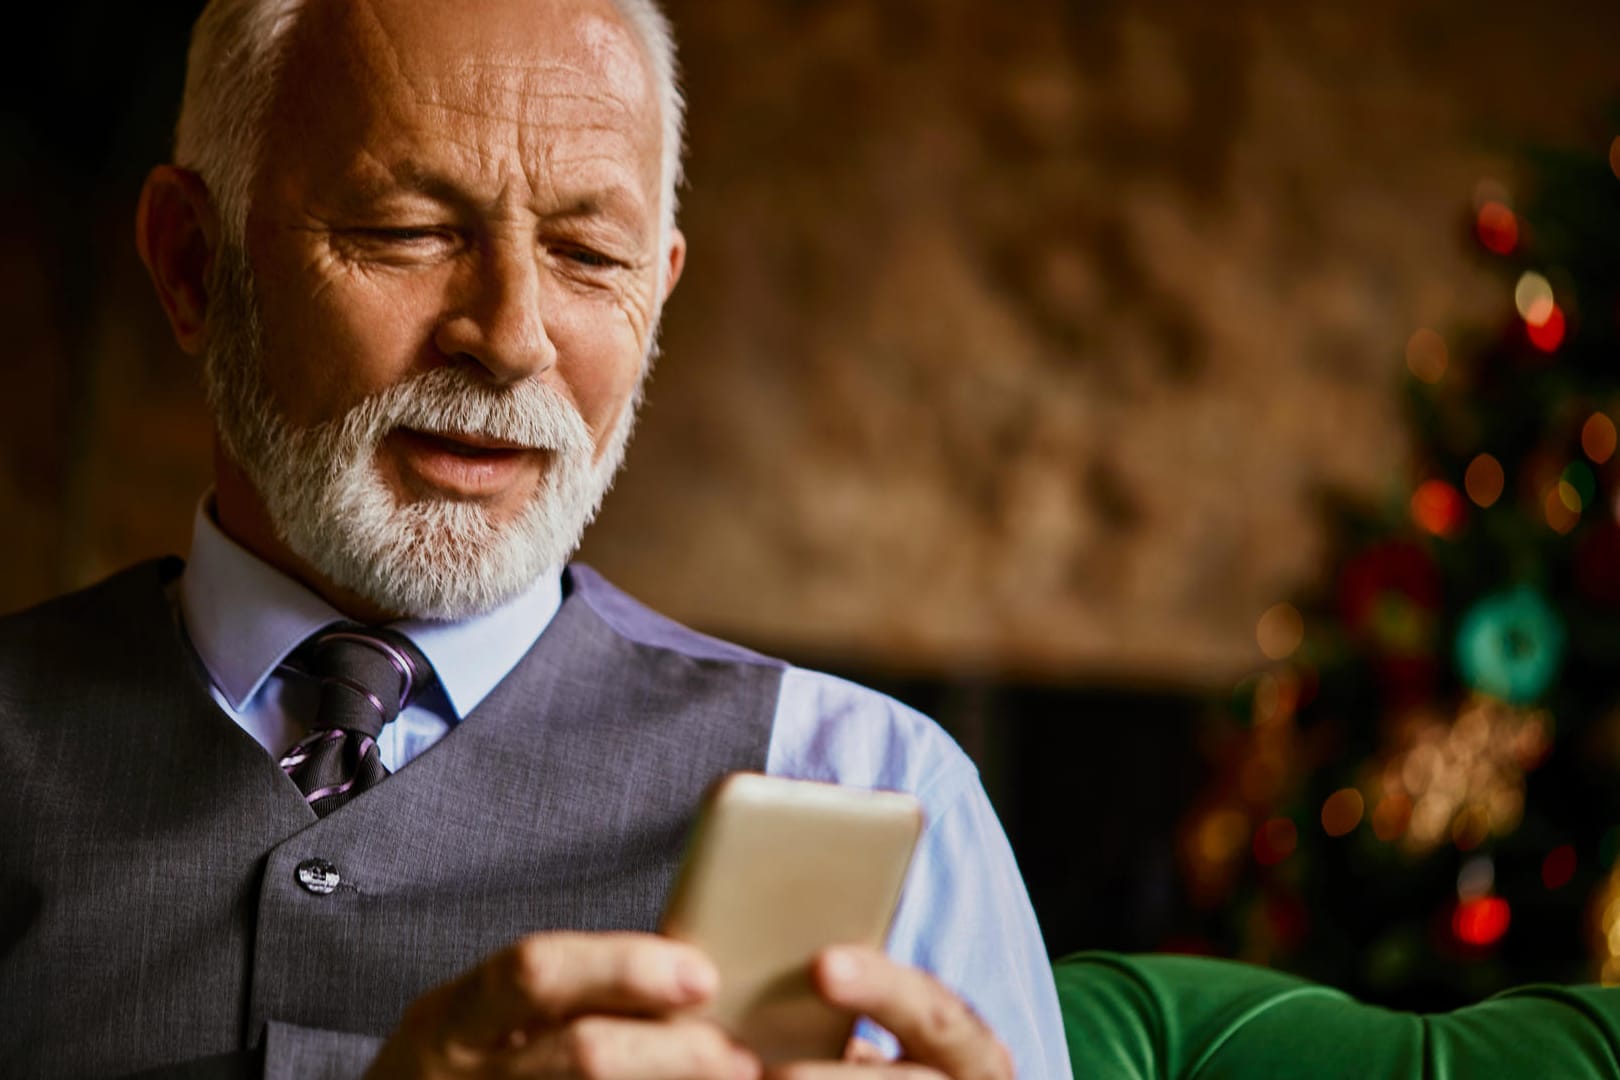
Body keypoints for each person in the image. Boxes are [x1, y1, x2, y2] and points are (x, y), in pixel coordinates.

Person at [0, 0, 1071, 1077]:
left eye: (590, 254)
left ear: (659, 288)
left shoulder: (872, 787)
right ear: (193, 264)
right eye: (409, 233)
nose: (511, 340)